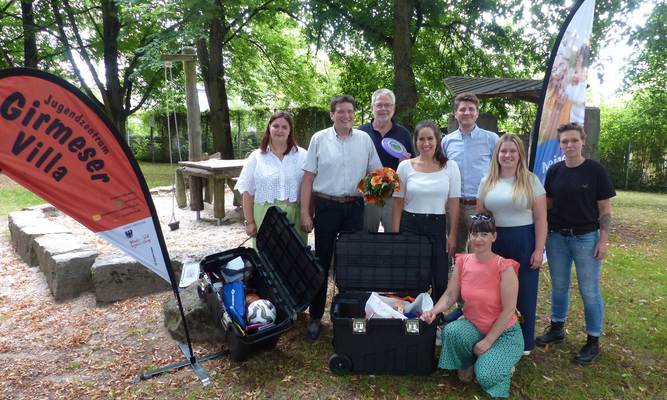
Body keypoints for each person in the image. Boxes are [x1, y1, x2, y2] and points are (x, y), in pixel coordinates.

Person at [300, 95, 382, 340]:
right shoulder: (319, 139)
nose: (346, 116)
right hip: (326, 205)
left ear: (354, 114)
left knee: (352, 263)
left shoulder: (365, 139)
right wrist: (306, 212)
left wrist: (378, 194)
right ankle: (316, 316)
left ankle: (351, 313)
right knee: (322, 263)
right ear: (332, 114)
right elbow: (308, 178)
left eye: (350, 111)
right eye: (340, 111)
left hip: (355, 207)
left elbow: (375, 174)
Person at [536, 123, 615, 365]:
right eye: (564, 142)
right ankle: (557, 328)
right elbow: (546, 205)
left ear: (582, 142)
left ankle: (593, 340)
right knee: (559, 286)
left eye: (573, 141)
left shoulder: (595, 171)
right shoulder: (555, 171)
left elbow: (605, 209)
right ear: (560, 145)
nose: (569, 145)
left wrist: (603, 240)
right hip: (557, 237)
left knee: (589, 290)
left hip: (586, 238)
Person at [422, 214, 523, 399]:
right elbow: (451, 295)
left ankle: (501, 366)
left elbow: (509, 310)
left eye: (484, 234)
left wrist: (488, 341)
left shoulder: (505, 267)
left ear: (494, 236)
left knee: (485, 375)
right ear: (469, 236)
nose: (478, 239)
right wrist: (433, 312)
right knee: (451, 332)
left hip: (503, 333)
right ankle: (468, 361)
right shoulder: (463, 261)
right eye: (474, 234)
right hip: (474, 325)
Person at [477, 134, 547, 355]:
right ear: (497, 155)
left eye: (512, 151)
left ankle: (524, 342)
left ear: (520, 155)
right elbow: (480, 216)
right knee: (493, 292)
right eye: (503, 151)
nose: (507, 155)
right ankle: (493, 336)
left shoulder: (531, 180)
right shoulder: (487, 180)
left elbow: (540, 218)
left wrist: (538, 249)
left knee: (524, 292)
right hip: (494, 241)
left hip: (523, 240)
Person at [392, 121, 460, 302]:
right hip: (410, 224)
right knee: (412, 274)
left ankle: (435, 316)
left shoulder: (450, 167)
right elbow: (398, 202)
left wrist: (452, 235)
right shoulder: (405, 167)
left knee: (439, 276)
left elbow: (454, 204)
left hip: (437, 224)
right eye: (421, 139)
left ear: (437, 140)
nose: (426, 143)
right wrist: (396, 234)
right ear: (415, 141)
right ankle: (411, 316)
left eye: (430, 138)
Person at [235, 111, 308, 245]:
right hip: (264, 216)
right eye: (276, 126)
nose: (280, 130)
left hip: (294, 217)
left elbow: (309, 189)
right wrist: (249, 222)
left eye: (284, 127)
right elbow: (247, 192)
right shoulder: (256, 157)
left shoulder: (303, 156)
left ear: (290, 130)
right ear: (269, 128)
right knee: (266, 259)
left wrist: (308, 215)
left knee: (295, 259)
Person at [442, 92, 499, 253]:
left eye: (471, 109)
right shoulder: (447, 141)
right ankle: (456, 279)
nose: (467, 112)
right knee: (454, 252)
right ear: (455, 114)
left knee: (479, 253)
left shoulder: (491, 139)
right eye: (462, 109)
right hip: (454, 205)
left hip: (480, 206)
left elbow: (499, 169)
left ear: (477, 113)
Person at [358, 88, 415, 233]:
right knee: (367, 238)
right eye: (379, 105)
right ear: (372, 108)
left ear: (394, 108)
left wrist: (407, 162)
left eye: (388, 105)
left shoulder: (403, 133)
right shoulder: (361, 132)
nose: (383, 108)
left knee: (394, 237)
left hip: (394, 196)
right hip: (369, 196)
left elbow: (414, 166)